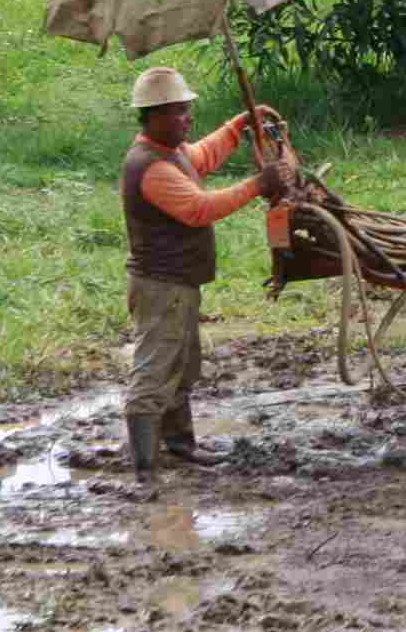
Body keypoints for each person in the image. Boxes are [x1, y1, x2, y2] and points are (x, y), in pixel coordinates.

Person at [122, 66, 291, 492]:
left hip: (177, 283)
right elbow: (199, 209)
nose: (187, 119)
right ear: (155, 115)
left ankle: (180, 444)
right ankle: (144, 469)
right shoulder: (151, 168)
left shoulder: (171, 153)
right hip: (162, 286)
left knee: (181, 365)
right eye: (180, 112)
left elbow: (205, 155)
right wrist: (257, 185)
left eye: (188, 111)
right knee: (155, 369)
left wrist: (237, 127)